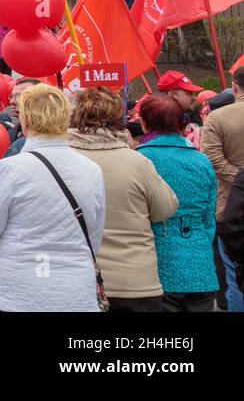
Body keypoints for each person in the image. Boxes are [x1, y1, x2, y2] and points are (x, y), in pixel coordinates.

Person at [0, 84, 105, 311]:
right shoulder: (91, 170)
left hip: (17, 290)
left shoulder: (7, 169)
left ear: (27, 120)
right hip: (74, 290)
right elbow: (94, 235)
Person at [67, 87, 178, 312]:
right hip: (134, 280)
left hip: (77, 278)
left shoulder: (61, 161)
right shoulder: (136, 162)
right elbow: (165, 208)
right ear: (120, 119)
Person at [135, 94, 218, 311]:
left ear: (144, 123)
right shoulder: (202, 161)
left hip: (157, 265)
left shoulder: (139, 160)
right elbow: (208, 218)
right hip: (200, 264)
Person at [202, 66, 244, 312]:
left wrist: (238, 177)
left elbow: (211, 159)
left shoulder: (217, 118)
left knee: (235, 275)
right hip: (230, 202)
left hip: (230, 206)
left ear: (234, 86)